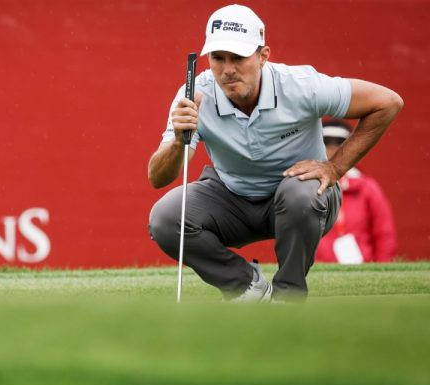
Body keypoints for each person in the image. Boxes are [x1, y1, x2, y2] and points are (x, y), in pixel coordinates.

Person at [147, 4, 403, 302]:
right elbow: (158, 177)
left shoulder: (302, 86)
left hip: (304, 197)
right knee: (165, 218)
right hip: (233, 198)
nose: (228, 69)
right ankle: (246, 286)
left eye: (239, 58)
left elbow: (387, 102)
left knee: (299, 194)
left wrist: (334, 168)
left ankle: (288, 297)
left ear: (263, 56)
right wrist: (179, 140)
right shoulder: (194, 94)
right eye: (218, 58)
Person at [315, 119, 397, 264]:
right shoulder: (305, 188)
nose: (332, 148)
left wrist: (381, 274)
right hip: (317, 272)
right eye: (326, 141)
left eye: (340, 142)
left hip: (363, 272)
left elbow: (384, 235)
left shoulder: (367, 188)